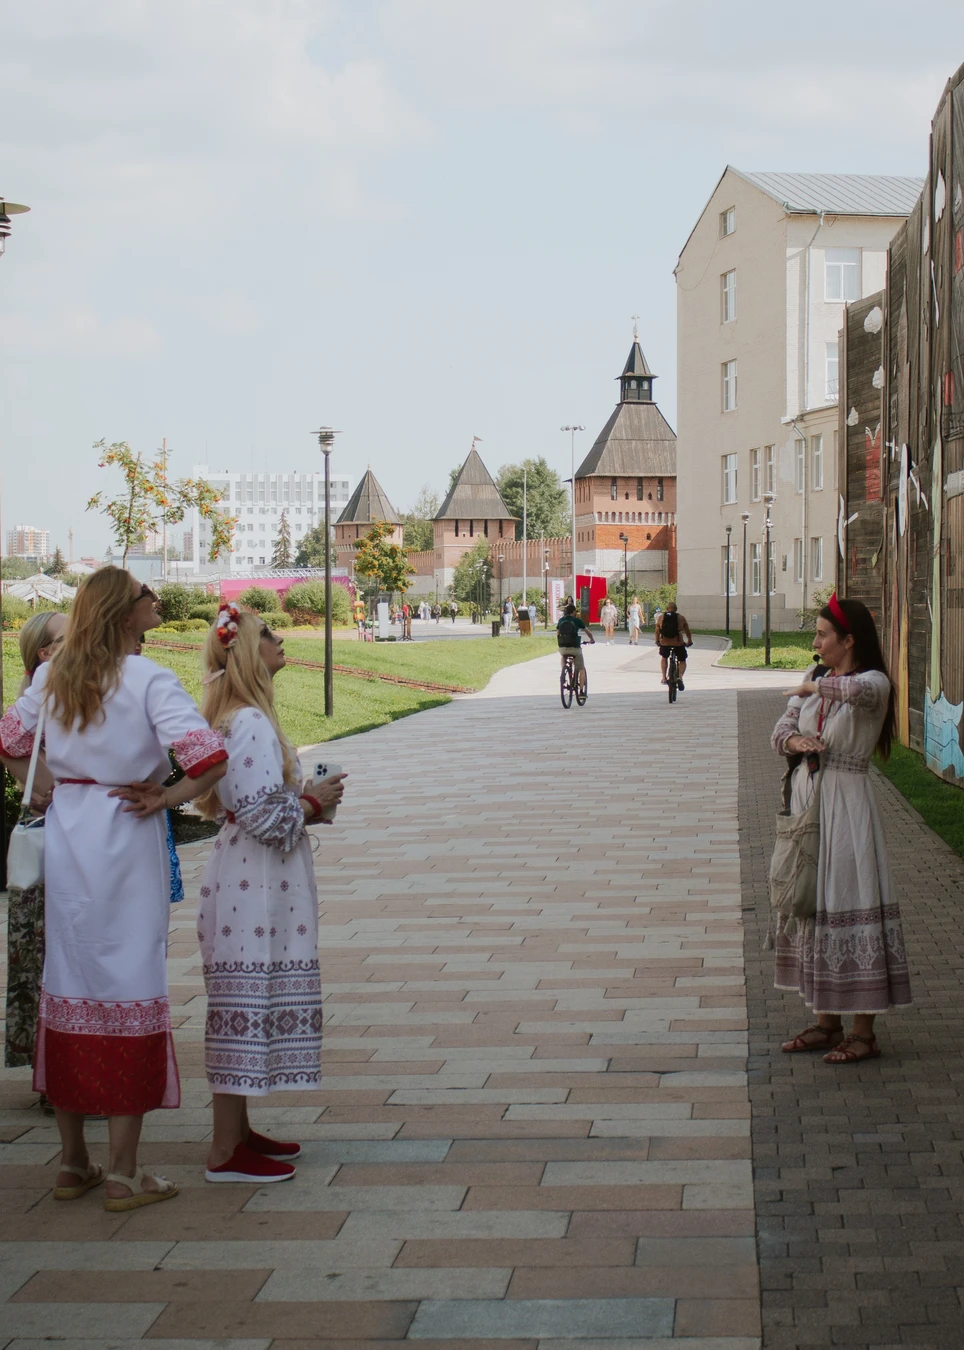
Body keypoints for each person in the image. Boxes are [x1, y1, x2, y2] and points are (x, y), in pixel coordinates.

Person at [0, 568, 228, 1210]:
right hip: (127, 834)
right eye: (145, 594)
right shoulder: (149, 679)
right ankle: (125, 1171)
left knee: (68, 982)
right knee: (131, 984)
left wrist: (38, 785)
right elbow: (210, 757)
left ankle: (73, 1162)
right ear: (124, 613)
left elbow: (10, 740)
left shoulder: (53, 675)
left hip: (70, 832)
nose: (154, 600)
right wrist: (167, 797)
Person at [193, 606, 346, 1183]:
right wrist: (311, 801)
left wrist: (307, 803)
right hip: (255, 882)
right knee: (244, 998)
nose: (281, 641)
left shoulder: (236, 715)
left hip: (245, 874)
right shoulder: (251, 721)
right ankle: (224, 1151)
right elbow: (265, 817)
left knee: (242, 999)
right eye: (269, 635)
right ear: (247, 652)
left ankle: (237, 1131)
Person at [770, 594, 912, 1063]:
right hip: (810, 803)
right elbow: (779, 731)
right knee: (813, 900)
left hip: (848, 806)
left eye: (822, 635)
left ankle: (863, 1033)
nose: (815, 643)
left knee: (850, 897)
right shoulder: (817, 677)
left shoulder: (875, 682)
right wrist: (796, 740)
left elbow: (857, 692)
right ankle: (826, 1023)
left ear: (849, 640)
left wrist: (813, 687)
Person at [4, 611, 67, 1070]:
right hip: (53, 849)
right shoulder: (40, 701)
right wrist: (51, 787)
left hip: (62, 847)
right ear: (45, 653)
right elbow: (9, 745)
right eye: (69, 636)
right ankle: (54, 1069)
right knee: (49, 957)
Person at [556, 602, 595, 695]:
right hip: (575, 647)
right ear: (573, 612)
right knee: (581, 669)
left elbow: (558, 633)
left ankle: (564, 672)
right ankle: (581, 692)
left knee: (563, 656)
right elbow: (588, 632)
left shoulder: (561, 620)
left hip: (563, 647)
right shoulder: (577, 621)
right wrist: (592, 640)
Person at [655, 602, 692, 689]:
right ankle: (680, 677)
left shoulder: (661, 617)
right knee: (682, 660)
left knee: (664, 657)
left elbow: (657, 631)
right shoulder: (681, 618)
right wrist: (689, 641)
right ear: (676, 609)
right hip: (678, 643)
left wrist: (657, 641)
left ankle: (664, 678)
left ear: (667, 609)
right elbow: (687, 631)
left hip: (665, 642)